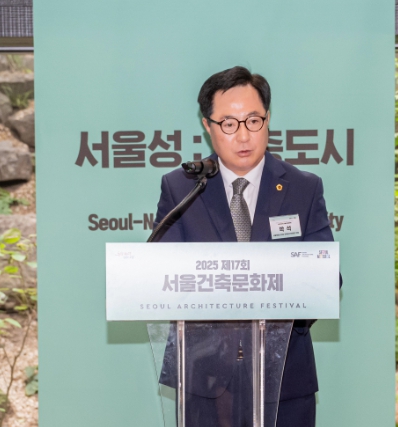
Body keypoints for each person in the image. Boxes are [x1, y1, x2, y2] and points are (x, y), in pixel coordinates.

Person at [153, 66, 338, 427]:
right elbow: (162, 277)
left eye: (253, 121)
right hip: (205, 379)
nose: (243, 135)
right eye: (228, 123)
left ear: (268, 120)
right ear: (208, 126)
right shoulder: (182, 188)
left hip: (284, 379)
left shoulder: (303, 188)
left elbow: (328, 279)